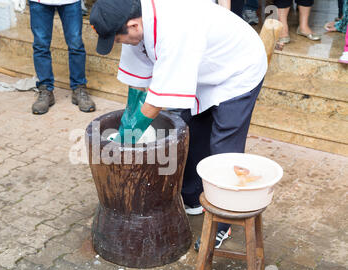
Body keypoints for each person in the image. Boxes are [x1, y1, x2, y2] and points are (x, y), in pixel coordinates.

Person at [90, 0, 267, 249]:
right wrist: (127, 125)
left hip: (237, 69)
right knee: (193, 130)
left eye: (118, 40)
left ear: (132, 25)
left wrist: (127, 141)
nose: (119, 44)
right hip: (204, 69)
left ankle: (224, 223)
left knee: (223, 146)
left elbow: (155, 103)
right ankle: (193, 197)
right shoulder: (136, 21)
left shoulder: (174, 29)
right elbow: (137, 84)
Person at [29, 0, 96, 115]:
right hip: (39, 2)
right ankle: (45, 90)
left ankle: (79, 88)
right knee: (41, 46)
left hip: (70, 1)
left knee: (76, 44)